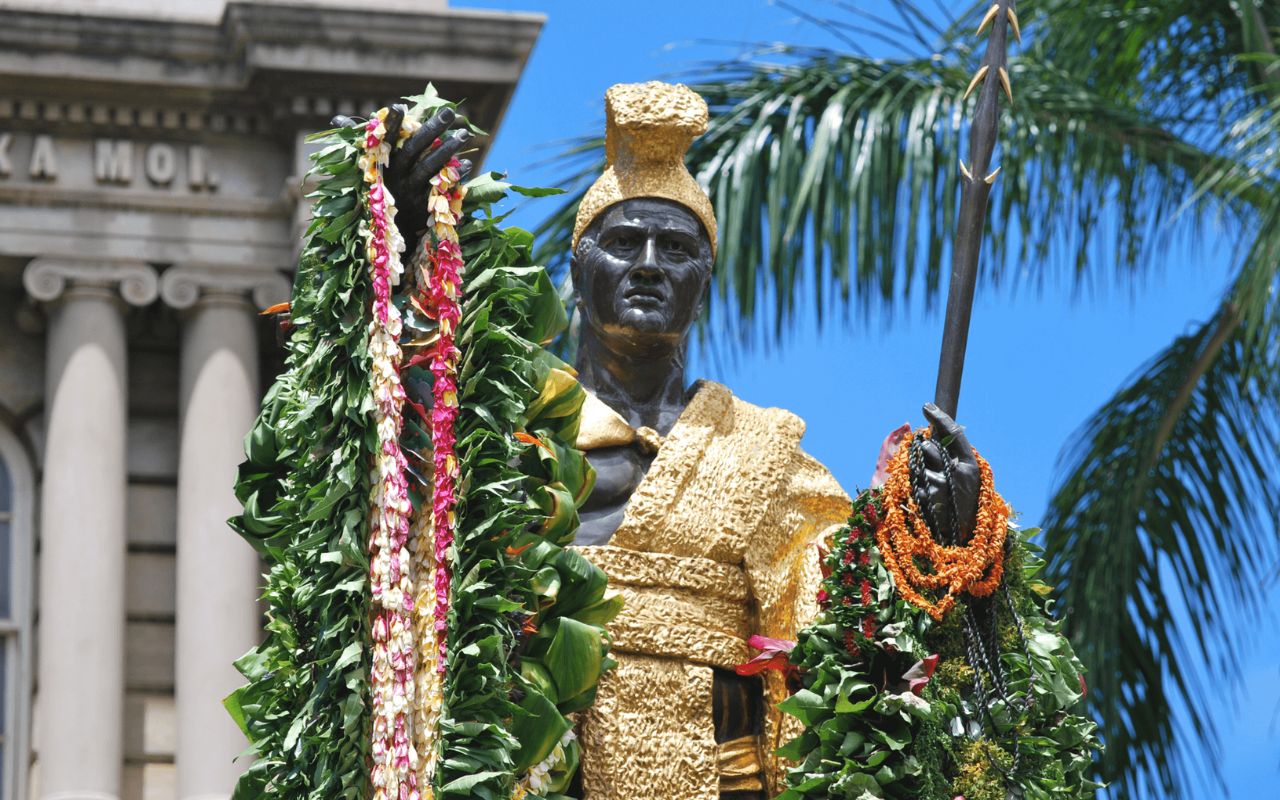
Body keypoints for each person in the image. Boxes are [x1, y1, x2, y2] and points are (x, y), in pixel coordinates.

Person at [370, 80, 979, 800]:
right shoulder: (504, 428)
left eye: (677, 247)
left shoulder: (770, 452)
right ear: (578, 268)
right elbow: (392, 477)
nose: (651, 263)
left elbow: (850, 637)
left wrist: (938, 533)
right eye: (625, 242)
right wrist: (402, 239)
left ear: (705, 279)